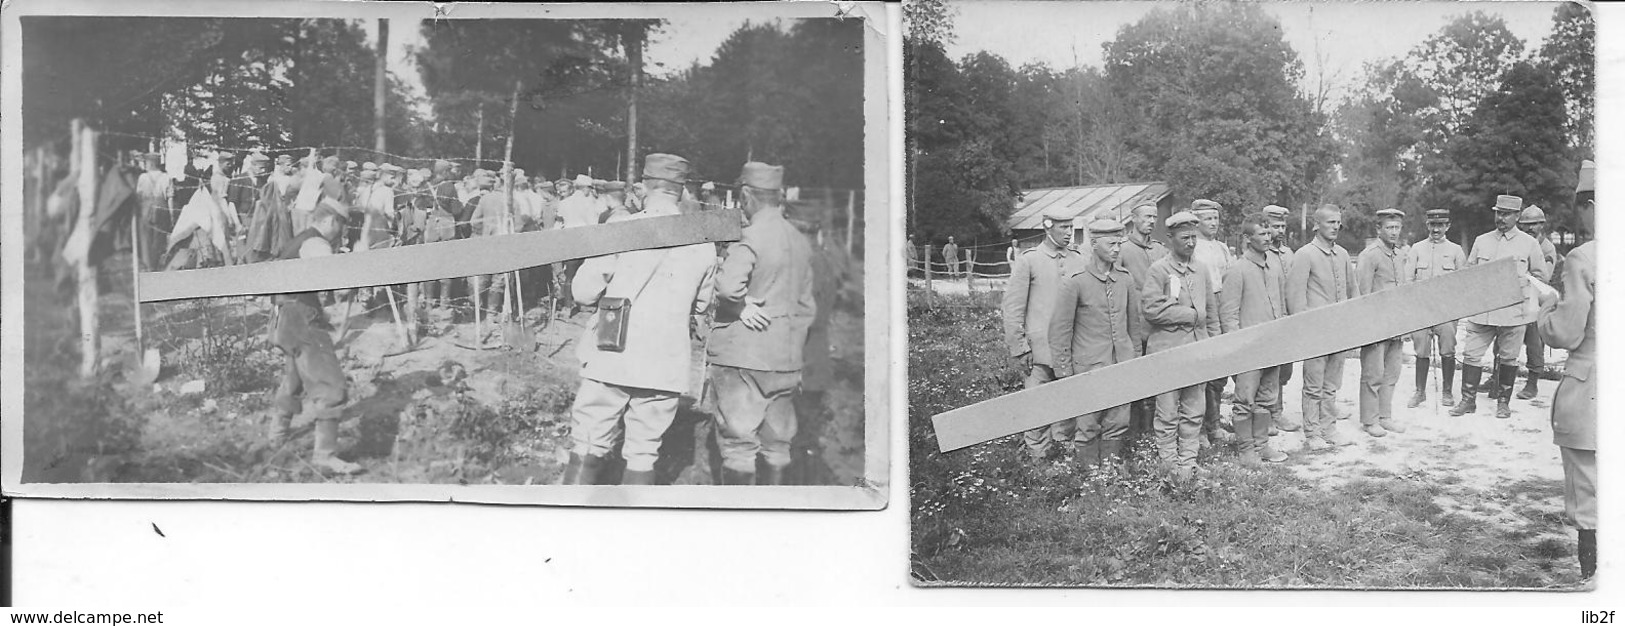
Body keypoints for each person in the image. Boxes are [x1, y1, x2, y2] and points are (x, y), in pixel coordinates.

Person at [562, 154, 718, 485]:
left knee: (588, 440)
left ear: (645, 186)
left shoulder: (623, 227)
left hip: (612, 351)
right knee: (644, 450)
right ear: (681, 190)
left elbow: (584, 292)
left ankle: (570, 522)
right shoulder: (704, 241)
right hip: (665, 360)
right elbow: (702, 305)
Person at [706, 161, 818, 486]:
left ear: (745, 196)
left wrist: (739, 305)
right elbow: (807, 306)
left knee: (739, 447)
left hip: (743, 358)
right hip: (786, 360)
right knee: (778, 445)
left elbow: (728, 287)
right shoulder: (799, 240)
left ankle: (740, 523)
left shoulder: (750, 237)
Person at [263, 201, 362, 475]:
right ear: (332, 221)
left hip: (285, 318)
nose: (342, 232)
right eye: (342, 226)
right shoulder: (317, 245)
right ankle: (325, 454)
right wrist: (356, 271)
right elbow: (333, 283)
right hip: (302, 320)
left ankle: (277, 433)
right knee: (331, 383)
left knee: (294, 378)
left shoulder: (299, 240)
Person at [1535, 159, 1596, 579]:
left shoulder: (1584, 257)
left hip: (1593, 390)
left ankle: (1595, 586)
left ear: (1591, 206)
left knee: (1590, 491)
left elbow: (1567, 332)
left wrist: (1545, 308)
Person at [1048, 219, 1141, 470]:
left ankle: (1109, 473)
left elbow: (1134, 326)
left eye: (1119, 243)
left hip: (1121, 363)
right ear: (1094, 244)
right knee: (1087, 424)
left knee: (1118, 420)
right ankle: (1088, 475)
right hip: (1088, 367)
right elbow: (1060, 332)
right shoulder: (1075, 281)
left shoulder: (1125, 279)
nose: (1117, 249)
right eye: (1111, 244)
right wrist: (1065, 373)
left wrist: (1135, 361)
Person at [1450, 195, 1549, 419]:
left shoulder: (1529, 244)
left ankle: (1503, 402)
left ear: (1517, 216)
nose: (1500, 218)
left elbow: (1541, 278)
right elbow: (1469, 271)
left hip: (1513, 313)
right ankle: (1468, 400)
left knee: (1508, 358)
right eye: (1498, 213)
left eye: (1506, 214)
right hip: (1482, 312)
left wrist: (1521, 284)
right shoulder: (1482, 240)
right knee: (1471, 354)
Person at [1143, 211, 1221, 481]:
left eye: (1193, 238)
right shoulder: (1159, 270)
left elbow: (1210, 311)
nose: (1190, 243)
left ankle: (1188, 464)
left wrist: (1214, 344)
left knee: (1194, 410)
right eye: (1184, 237)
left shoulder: (1200, 269)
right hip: (1168, 352)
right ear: (1170, 239)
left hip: (1196, 352)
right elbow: (1151, 310)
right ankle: (1168, 465)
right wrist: (1190, 315)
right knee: (1167, 412)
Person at [1001, 209, 1084, 462]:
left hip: (1071, 347)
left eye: (1071, 227)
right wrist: (1020, 347)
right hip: (1039, 350)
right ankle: (1038, 460)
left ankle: (1062, 457)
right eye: (1063, 228)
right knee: (1037, 403)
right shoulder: (1030, 260)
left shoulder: (1079, 259)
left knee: (1068, 402)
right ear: (1048, 227)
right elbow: (1013, 306)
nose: (1069, 233)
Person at [1287, 205, 1358, 451]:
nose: (1336, 226)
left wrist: (1352, 322)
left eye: (1338, 222)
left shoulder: (1343, 254)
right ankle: (1312, 432)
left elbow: (1353, 291)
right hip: (1315, 332)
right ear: (1317, 225)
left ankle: (1329, 428)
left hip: (1338, 331)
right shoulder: (1305, 254)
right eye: (1330, 222)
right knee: (1314, 385)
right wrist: (1303, 329)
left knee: (1332, 385)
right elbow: (1295, 298)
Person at [1221, 214, 1288, 464]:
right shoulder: (1237, 270)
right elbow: (1228, 315)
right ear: (1247, 239)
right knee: (1244, 400)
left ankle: (1262, 447)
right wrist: (1237, 350)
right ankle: (1246, 450)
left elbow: (1281, 304)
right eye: (1262, 234)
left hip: (1272, 345)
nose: (1268, 237)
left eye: (1269, 233)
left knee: (1267, 398)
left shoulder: (1275, 266)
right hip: (1248, 350)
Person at [1355, 208, 1409, 438]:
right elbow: (1363, 294)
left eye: (1397, 227)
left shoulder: (1398, 255)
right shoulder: (1370, 255)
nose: (1394, 232)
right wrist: (1367, 327)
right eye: (1389, 227)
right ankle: (1369, 420)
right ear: (1379, 229)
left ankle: (1384, 416)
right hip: (1376, 325)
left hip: (1395, 324)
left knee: (1391, 374)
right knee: (1373, 374)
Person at [1406, 208, 1466, 408]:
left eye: (1441, 225)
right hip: (1422, 311)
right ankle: (1420, 391)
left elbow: (1464, 284)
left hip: (1446, 311)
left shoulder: (1456, 250)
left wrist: (1454, 309)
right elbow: (1408, 281)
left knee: (1448, 348)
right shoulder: (1416, 249)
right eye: (1433, 225)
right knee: (1421, 349)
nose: (1436, 229)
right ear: (1427, 226)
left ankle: (1447, 392)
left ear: (1448, 226)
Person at [1118, 203, 1167, 438]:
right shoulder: (1123, 250)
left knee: (1157, 378)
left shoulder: (1160, 250)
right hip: (1134, 327)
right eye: (1147, 216)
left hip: (1158, 327)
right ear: (1133, 219)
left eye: (1154, 217)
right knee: (1134, 379)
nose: (1151, 221)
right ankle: (1133, 433)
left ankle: (1152, 432)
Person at [1190, 199, 1233, 447]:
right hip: (1201, 306)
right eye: (1208, 219)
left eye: (1216, 218)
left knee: (1219, 370)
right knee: (1202, 368)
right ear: (1197, 222)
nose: (1213, 223)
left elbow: (1228, 277)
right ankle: (1200, 430)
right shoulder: (1193, 248)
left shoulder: (1222, 248)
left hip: (1221, 305)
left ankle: (1215, 425)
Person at [1261, 204, 1298, 433]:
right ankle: (1268, 415)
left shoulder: (1288, 253)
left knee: (1284, 370)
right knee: (1268, 370)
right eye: (1276, 226)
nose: (1280, 230)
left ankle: (1278, 411)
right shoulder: (1263, 254)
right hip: (1269, 320)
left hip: (1287, 319)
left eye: (1283, 225)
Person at [1516, 205, 1560, 400]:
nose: (1529, 228)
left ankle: (1532, 383)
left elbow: (1544, 278)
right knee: (1504, 338)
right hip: (1517, 299)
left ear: (1542, 225)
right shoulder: (1520, 242)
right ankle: (1497, 377)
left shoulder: (1547, 248)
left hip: (1536, 300)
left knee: (1534, 343)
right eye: (1525, 225)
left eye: (1534, 224)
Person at [423, 159, 462, 309]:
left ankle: (428, 302)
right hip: (446, 227)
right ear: (445, 172)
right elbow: (456, 209)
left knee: (430, 265)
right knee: (446, 264)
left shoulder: (428, 185)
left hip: (431, 226)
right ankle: (444, 302)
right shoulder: (449, 187)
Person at [134, 152, 173, 271]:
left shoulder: (142, 177)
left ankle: (148, 266)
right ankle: (156, 266)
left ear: (150, 163)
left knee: (146, 240)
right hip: (161, 209)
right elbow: (170, 198)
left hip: (145, 210)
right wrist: (171, 216)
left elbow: (139, 197)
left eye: (146, 162)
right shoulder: (166, 177)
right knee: (159, 240)